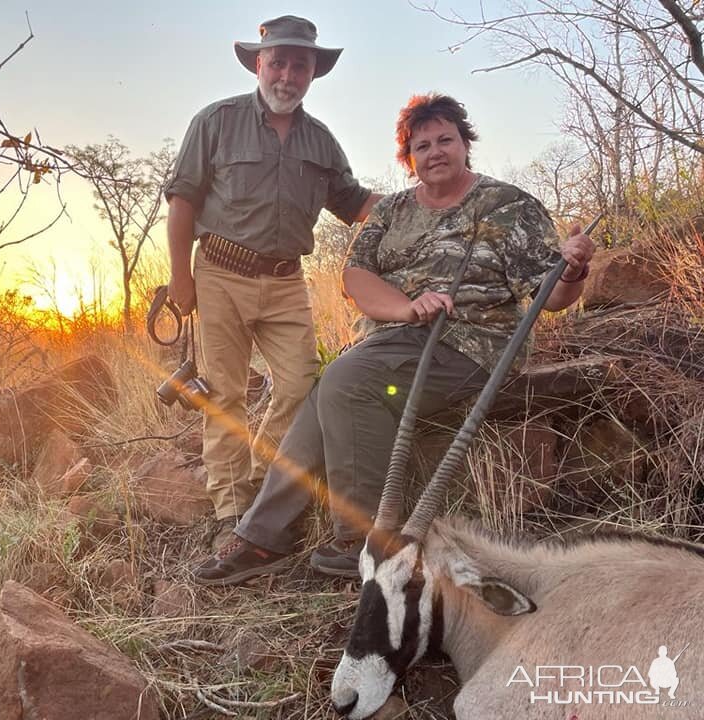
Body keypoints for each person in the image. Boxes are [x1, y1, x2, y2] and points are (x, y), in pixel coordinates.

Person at [193, 92, 596, 585]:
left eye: (445, 139)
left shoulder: (511, 206)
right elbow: (356, 277)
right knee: (332, 387)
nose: (435, 152)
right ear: (409, 160)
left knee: (343, 382)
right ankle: (265, 535)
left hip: (471, 345)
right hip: (392, 344)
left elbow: (550, 298)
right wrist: (407, 308)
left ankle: (364, 539)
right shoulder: (391, 212)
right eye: (421, 145)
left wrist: (574, 268)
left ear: (465, 144)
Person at [164, 16, 382, 550]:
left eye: (299, 65)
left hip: (287, 282)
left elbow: (353, 204)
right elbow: (182, 200)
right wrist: (179, 279)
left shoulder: (320, 140)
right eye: (277, 62)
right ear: (259, 64)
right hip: (218, 273)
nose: (287, 73)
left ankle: (265, 484)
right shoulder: (216, 121)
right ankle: (230, 509)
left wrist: (426, 198)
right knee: (225, 394)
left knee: (299, 386)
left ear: (313, 73)